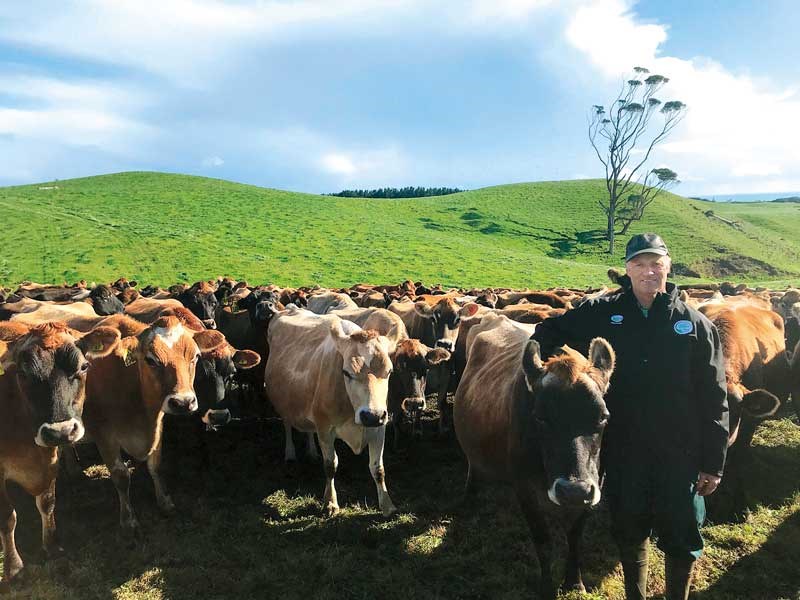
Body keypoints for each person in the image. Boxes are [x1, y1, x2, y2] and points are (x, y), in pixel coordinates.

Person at [532, 233, 729, 600]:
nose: (648, 271)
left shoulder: (696, 325)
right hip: (624, 449)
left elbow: (715, 397)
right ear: (627, 269)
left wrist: (713, 462)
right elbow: (550, 330)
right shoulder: (604, 312)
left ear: (669, 266)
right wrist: (538, 368)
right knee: (628, 526)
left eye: (656, 263)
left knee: (681, 531)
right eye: (639, 264)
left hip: (680, 451)